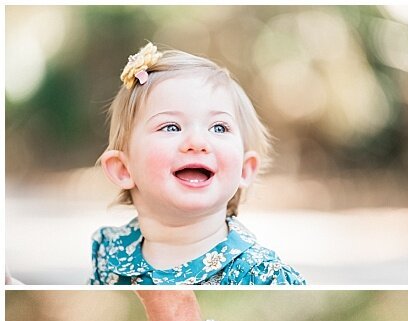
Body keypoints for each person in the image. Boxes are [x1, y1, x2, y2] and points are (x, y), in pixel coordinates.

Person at [92, 43, 306, 286]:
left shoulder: (262, 276)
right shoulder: (110, 255)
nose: (197, 142)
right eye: (171, 127)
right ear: (123, 169)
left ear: (245, 170)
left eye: (219, 127)